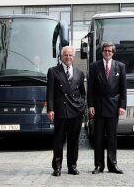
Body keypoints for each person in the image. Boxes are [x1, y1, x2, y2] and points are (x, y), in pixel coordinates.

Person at [87, 42, 127, 174]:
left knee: (112, 137)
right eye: (105, 50)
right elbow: (90, 89)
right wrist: (90, 105)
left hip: (113, 107)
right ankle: (99, 165)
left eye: (109, 51)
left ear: (113, 52)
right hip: (97, 107)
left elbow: (123, 89)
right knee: (98, 137)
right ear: (102, 52)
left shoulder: (120, 67)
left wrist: (122, 106)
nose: (107, 52)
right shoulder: (94, 67)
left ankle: (112, 165)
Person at [47, 46, 86, 177]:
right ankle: (57, 167)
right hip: (60, 111)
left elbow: (82, 93)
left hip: (75, 112)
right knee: (58, 140)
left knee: (74, 141)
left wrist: (82, 106)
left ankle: (72, 166)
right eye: (66, 55)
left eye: (70, 55)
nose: (68, 57)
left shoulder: (79, 72)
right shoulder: (53, 71)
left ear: (74, 57)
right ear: (61, 56)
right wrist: (50, 109)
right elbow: (50, 92)